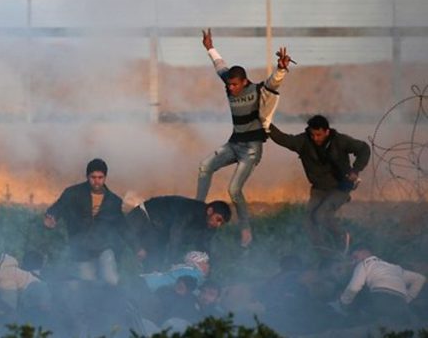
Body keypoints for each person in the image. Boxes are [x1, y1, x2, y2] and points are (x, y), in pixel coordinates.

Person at [196, 28, 292, 247]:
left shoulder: (256, 90)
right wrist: (210, 47)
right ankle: (196, 209)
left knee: (234, 190)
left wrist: (281, 69)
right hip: (234, 144)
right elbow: (220, 67)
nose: (231, 88)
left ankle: (245, 229)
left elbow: (273, 83)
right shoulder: (230, 85)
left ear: (244, 82)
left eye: (234, 84)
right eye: (229, 84)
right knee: (204, 167)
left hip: (251, 148)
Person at [268, 115, 370, 254]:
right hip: (318, 189)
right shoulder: (304, 141)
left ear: (327, 131)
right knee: (309, 221)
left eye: (319, 134)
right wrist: (266, 122)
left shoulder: (340, 141)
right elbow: (283, 139)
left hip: (340, 187)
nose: (315, 138)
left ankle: (343, 238)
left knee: (321, 215)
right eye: (312, 134)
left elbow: (364, 148)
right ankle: (323, 252)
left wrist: (356, 169)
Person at [44, 158, 125, 286]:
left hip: (104, 247)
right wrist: (51, 216)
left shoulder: (114, 201)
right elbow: (59, 207)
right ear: (87, 176)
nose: (97, 181)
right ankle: (94, 305)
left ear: (105, 177)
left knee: (111, 281)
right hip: (82, 249)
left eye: (100, 177)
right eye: (93, 177)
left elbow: (122, 225)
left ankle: (112, 304)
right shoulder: (73, 193)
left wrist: (137, 247)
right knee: (87, 284)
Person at [125, 196, 231, 271]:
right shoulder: (192, 209)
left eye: (221, 223)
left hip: (157, 233)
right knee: (128, 246)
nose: (217, 224)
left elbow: (204, 245)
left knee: (154, 265)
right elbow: (177, 232)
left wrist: (207, 264)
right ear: (210, 211)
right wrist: (173, 262)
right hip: (143, 216)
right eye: (218, 219)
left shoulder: (210, 226)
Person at [338, 244, 425, 328]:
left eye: (355, 257)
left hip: (380, 297)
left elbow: (354, 287)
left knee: (367, 323)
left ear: (364, 252)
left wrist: (344, 303)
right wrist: (408, 297)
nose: (354, 261)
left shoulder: (365, 264)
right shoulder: (394, 267)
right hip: (400, 302)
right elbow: (420, 278)